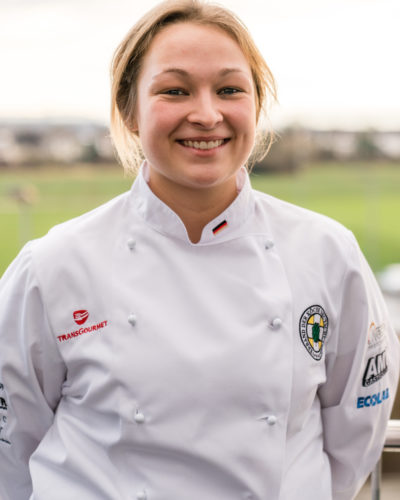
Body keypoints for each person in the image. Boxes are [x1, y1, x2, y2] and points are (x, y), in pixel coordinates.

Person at [0, 1, 398, 499]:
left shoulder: (327, 253)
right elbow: (10, 447)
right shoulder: (53, 265)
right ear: (129, 111)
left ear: (257, 105)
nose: (207, 115)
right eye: (175, 90)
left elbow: (358, 427)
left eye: (230, 90)